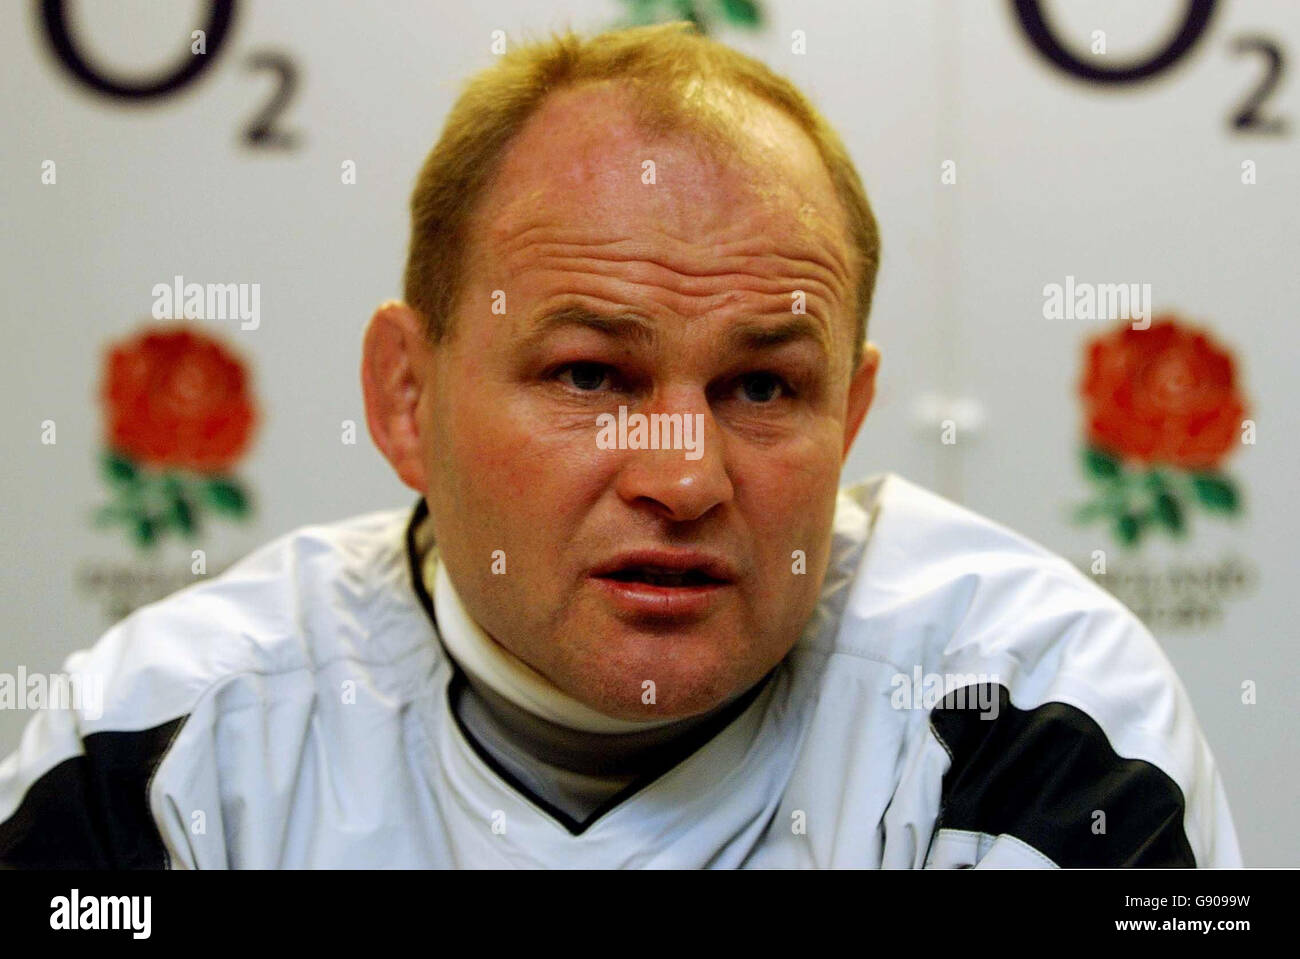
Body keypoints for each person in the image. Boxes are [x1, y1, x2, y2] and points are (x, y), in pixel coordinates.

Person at [0, 22, 1240, 868]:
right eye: (590, 374)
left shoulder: (1042, 713)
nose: (684, 475)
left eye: (762, 386)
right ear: (404, 397)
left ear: (851, 419)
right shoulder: (160, 745)